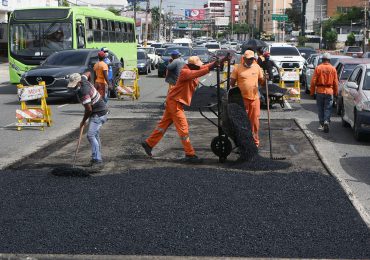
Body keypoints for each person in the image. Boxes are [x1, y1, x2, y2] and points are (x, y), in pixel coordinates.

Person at [141, 55, 228, 162]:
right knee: (183, 127)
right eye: (197, 66)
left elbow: (204, 67)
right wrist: (212, 66)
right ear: (192, 65)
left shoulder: (193, 68)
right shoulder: (185, 72)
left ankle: (149, 143)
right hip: (175, 102)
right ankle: (189, 154)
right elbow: (200, 72)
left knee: (163, 125)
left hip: (174, 101)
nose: (199, 67)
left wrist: (221, 60)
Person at [67, 73, 109, 167]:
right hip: (100, 111)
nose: (73, 87)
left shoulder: (83, 91)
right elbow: (88, 73)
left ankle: (97, 160)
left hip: (98, 114)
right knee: (95, 135)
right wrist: (93, 84)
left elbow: (88, 109)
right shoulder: (83, 79)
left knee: (90, 135)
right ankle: (97, 157)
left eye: (75, 85)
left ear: (79, 82)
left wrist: (83, 121)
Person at [230, 50, 265, 148]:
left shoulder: (257, 67)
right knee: (242, 122)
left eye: (252, 59)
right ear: (244, 59)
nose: (250, 61)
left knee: (254, 122)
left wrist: (265, 79)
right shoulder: (237, 68)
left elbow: (262, 82)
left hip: (254, 99)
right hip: (241, 100)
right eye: (248, 59)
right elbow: (232, 83)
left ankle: (255, 143)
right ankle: (242, 144)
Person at [310, 52, 338, 133]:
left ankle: (322, 124)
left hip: (320, 91)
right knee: (328, 108)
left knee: (320, 108)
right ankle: (326, 121)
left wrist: (312, 92)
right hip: (329, 91)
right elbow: (335, 82)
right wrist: (336, 92)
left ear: (322, 60)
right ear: (329, 60)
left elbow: (313, 81)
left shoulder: (318, 68)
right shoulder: (333, 69)